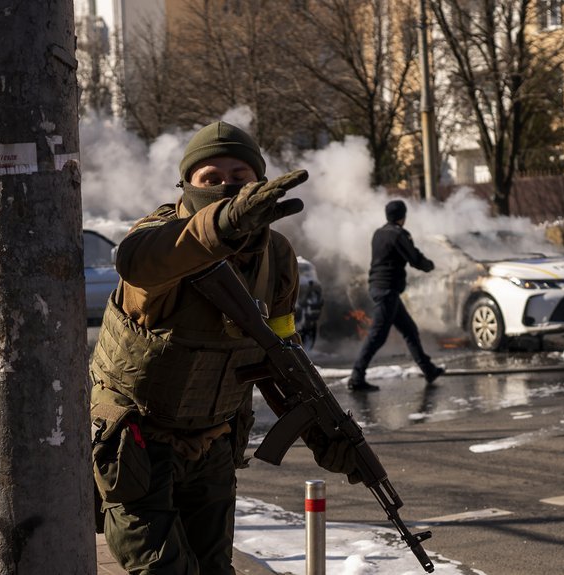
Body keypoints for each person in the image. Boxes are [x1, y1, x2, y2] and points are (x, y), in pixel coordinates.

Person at [88, 121, 355, 574]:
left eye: (240, 176)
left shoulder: (278, 257)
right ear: (186, 185)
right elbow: (135, 260)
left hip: (213, 440)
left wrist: (323, 431)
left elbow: (281, 349)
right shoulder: (159, 238)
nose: (227, 186)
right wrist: (222, 224)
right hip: (137, 444)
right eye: (210, 179)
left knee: (214, 568)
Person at [347, 200, 444, 392]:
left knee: (409, 330)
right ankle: (356, 377)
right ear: (402, 216)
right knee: (377, 336)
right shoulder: (399, 235)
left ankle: (428, 369)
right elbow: (415, 259)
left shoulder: (379, 233)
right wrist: (430, 265)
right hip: (387, 290)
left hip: (380, 288)